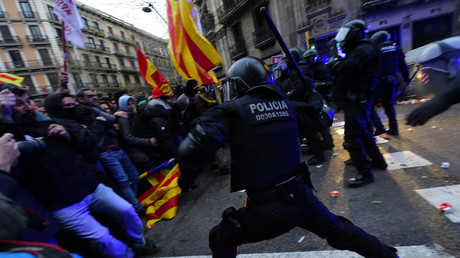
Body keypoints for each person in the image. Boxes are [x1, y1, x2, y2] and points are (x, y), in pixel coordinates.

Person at [176, 56, 399, 258]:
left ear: (241, 84)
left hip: (266, 210)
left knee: (222, 236)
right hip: (302, 197)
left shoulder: (231, 112)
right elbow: (324, 115)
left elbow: (191, 152)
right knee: (341, 232)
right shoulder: (289, 106)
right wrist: (311, 92)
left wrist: (185, 181)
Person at [0, 84, 158, 257]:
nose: (28, 107)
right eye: (18, 104)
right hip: (63, 205)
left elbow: (83, 146)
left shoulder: (49, 122)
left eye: (29, 101)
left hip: (90, 187)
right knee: (103, 240)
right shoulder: (7, 138)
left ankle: (140, 243)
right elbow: (19, 158)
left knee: (127, 211)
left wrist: (67, 135)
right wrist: (6, 117)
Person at [327, 19, 387, 187]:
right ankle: (378, 162)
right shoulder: (360, 48)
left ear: (355, 34)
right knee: (364, 133)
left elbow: (344, 67)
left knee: (351, 139)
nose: (343, 40)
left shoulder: (365, 49)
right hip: (356, 98)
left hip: (358, 99)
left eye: (346, 35)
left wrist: (332, 51)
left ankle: (365, 174)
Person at [75, 88, 145, 213]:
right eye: (90, 96)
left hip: (118, 148)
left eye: (94, 94)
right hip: (106, 152)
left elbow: (111, 119)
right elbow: (110, 119)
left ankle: (132, 201)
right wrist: (114, 117)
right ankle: (136, 207)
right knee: (122, 180)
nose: (94, 97)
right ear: (81, 99)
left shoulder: (97, 109)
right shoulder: (84, 111)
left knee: (134, 175)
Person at [275, 48, 326, 165]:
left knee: (310, 130)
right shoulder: (295, 69)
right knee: (307, 129)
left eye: (286, 60)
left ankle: (319, 154)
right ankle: (314, 149)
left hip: (306, 103)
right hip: (303, 102)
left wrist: (289, 94)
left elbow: (300, 86)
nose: (285, 63)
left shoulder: (300, 68)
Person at [369, 30, 410, 136]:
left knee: (369, 105)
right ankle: (394, 129)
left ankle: (379, 127)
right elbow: (403, 66)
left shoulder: (376, 50)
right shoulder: (396, 48)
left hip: (379, 82)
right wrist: (406, 79)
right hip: (392, 81)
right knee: (389, 105)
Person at [302, 49, 335, 152]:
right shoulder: (310, 68)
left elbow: (328, 83)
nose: (307, 61)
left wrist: (318, 84)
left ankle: (328, 142)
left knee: (322, 120)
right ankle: (326, 141)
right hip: (316, 97)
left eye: (309, 59)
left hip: (322, 97)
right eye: (306, 59)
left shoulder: (321, 68)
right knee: (319, 121)